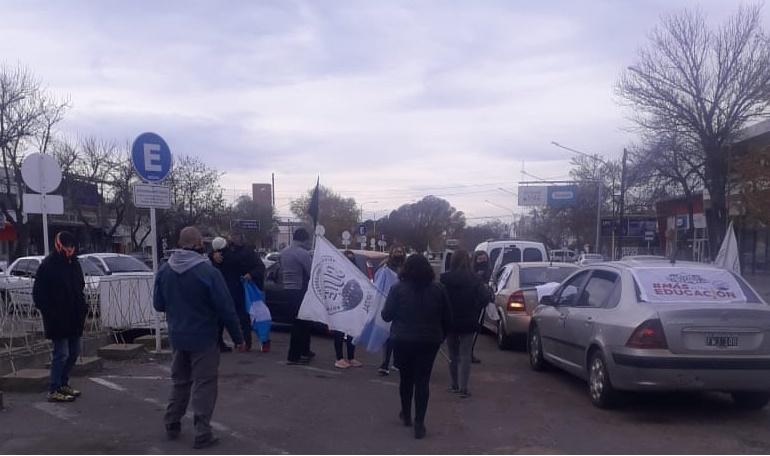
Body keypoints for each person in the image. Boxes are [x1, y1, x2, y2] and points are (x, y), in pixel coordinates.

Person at [153, 226, 245, 450]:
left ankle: (172, 422)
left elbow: (158, 304)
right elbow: (226, 308)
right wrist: (238, 338)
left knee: (180, 381)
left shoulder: (165, 270)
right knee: (204, 384)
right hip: (203, 337)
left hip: (177, 335)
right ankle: (202, 432)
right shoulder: (208, 272)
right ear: (197, 244)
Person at [381, 254, 451, 440]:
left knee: (406, 378)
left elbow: (386, 316)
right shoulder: (439, 289)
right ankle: (420, 423)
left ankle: (406, 414)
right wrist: (440, 336)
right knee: (423, 380)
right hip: (429, 341)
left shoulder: (397, 289)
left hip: (403, 339)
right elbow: (447, 318)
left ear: (406, 269)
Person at [32, 231, 88, 403]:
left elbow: (80, 286)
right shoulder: (48, 265)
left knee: (74, 352)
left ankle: (63, 383)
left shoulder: (74, 264)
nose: (70, 249)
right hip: (57, 319)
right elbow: (38, 294)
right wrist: (51, 312)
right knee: (61, 353)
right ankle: (53, 388)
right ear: (59, 245)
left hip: (74, 317)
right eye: (67, 246)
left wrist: (82, 307)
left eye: (72, 246)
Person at [440, 249, 490, 398]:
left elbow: (439, 299)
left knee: (452, 354)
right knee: (466, 354)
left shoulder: (445, 279)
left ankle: (454, 384)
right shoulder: (475, 279)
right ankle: (464, 387)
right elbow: (485, 297)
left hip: (450, 320)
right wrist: (476, 307)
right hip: (469, 319)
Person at [211, 232, 265, 352]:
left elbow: (260, 267)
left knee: (242, 317)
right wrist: (213, 255)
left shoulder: (245, 252)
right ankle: (228, 343)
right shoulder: (226, 252)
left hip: (239, 289)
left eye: (236, 235)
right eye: (232, 236)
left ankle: (244, 343)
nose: (234, 238)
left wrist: (251, 274)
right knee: (224, 317)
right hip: (227, 288)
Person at [282, 228, 314, 365]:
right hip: (300, 290)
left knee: (304, 321)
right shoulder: (302, 253)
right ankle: (294, 356)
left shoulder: (284, 252)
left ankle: (305, 350)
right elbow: (311, 270)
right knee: (300, 323)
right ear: (304, 239)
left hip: (287, 289)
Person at [376, 244, 406, 376]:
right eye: (396, 251)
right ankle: (385, 363)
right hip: (388, 302)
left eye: (400, 251)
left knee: (398, 336)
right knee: (388, 336)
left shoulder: (405, 268)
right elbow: (378, 281)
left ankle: (397, 362)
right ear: (391, 253)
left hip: (403, 304)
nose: (398, 253)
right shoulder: (385, 267)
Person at [333, 250, 362, 369]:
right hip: (340, 306)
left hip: (352, 306)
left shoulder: (357, 273)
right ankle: (339, 358)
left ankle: (351, 357)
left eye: (352, 259)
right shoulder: (337, 272)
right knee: (339, 332)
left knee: (351, 332)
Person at [470, 250, 493, 364]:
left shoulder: (489, 270)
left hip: (481, 302)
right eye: (480, 260)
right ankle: (467, 352)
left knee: (477, 328)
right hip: (472, 303)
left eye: (484, 260)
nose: (482, 262)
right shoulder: (471, 272)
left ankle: (470, 351)